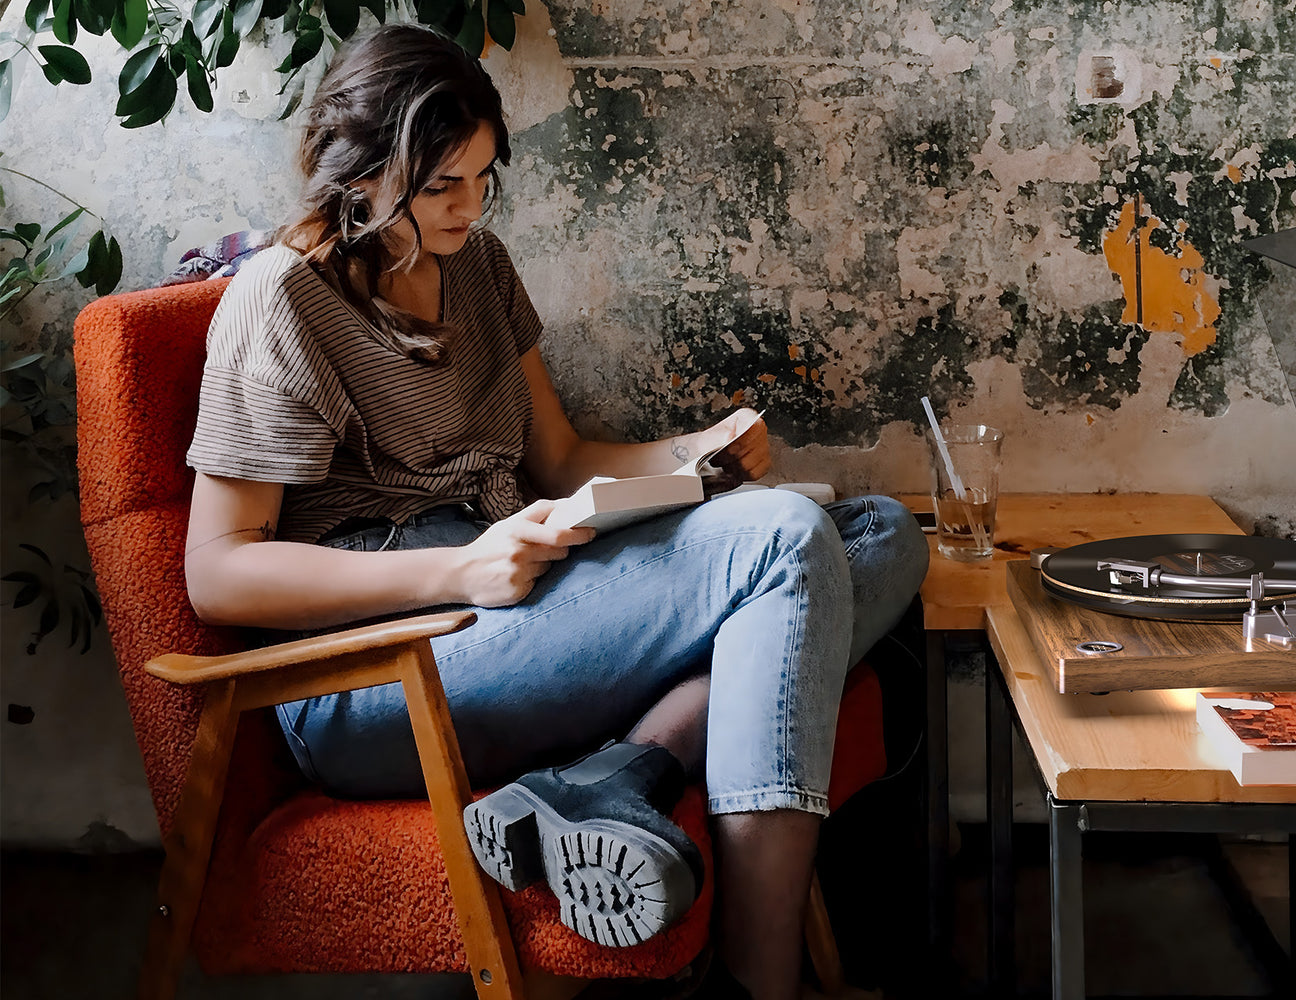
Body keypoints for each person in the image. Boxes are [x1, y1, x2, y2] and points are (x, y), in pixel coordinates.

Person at [182, 22, 927, 1000]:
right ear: (356, 172)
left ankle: (622, 773)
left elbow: (563, 459)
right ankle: (755, 984)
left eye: (483, 178)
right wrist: (460, 569)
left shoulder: (478, 268)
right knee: (786, 547)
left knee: (875, 533)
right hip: (380, 665)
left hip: (515, 600)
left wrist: (696, 453)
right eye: (442, 185)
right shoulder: (281, 301)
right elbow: (222, 570)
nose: (470, 206)